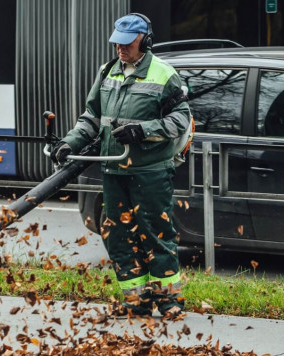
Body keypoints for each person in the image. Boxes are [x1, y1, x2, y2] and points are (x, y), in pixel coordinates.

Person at [50, 14, 191, 319]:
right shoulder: (108, 72)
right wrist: (70, 143)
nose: (120, 48)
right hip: (114, 171)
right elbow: (91, 117)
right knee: (120, 236)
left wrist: (142, 130)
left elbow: (181, 120)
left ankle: (169, 301)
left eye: (127, 43)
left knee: (155, 234)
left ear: (145, 41)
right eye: (117, 42)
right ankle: (135, 300)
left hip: (150, 171)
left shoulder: (164, 74)